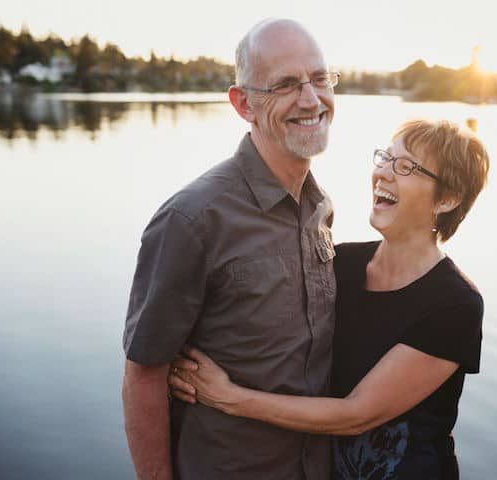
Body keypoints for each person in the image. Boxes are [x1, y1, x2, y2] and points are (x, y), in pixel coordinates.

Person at [170, 118, 490, 479]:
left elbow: (356, 414)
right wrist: (186, 366)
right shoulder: (341, 264)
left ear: (447, 199)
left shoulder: (454, 304)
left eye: (405, 166)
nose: (383, 173)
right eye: (385, 158)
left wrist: (229, 397)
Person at [122, 19, 339, 480]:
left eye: (320, 78)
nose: (311, 99)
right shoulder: (192, 220)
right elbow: (143, 375)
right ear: (244, 105)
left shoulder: (320, 208)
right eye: (285, 85)